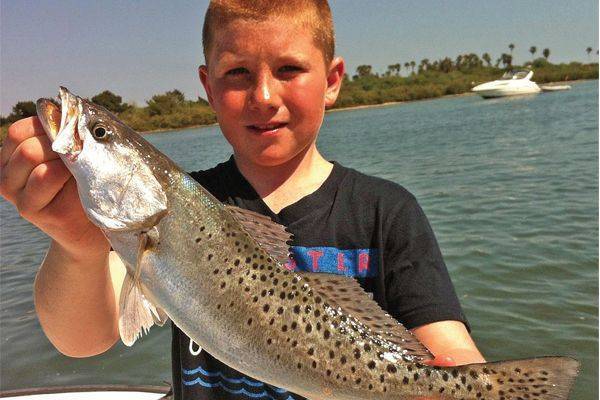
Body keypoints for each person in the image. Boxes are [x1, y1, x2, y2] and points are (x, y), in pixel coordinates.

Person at [0, 1, 484, 399]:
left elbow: (449, 351)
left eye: (289, 69)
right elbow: (83, 339)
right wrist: (75, 243)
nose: (264, 95)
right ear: (207, 87)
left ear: (333, 80)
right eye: (238, 74)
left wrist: (468, 385)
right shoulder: (176, 211)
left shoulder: (388, 211)